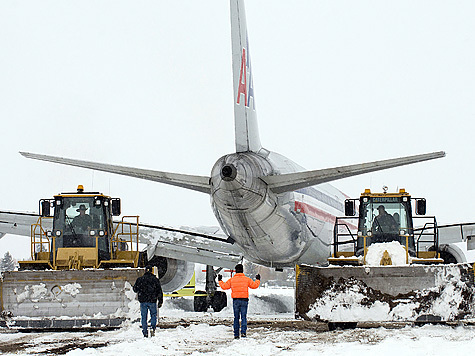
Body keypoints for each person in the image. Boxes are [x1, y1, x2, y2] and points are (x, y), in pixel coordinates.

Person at [218, 263, 260, 339]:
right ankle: (243, 332)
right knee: (244, 317)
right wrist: (258, 279)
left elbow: (224, 287)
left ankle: (236, 334)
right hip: (244, 300)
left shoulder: (232, 280)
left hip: (236, 300)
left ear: (236, 271)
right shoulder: (247, 279)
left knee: (236, 317)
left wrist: (220, 280)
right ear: (242, 271)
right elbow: (254, 286)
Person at [133, 265, 163, 337]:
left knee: (144, 317)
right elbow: (159, 291)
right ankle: (152, 327)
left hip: (143, 301)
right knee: (153, 315)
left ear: (145, 270)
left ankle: (145, 331)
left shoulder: (140, 279)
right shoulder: (155, 280)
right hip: (152, 301)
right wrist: (160, 301)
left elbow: (135, 289)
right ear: (152, 271)